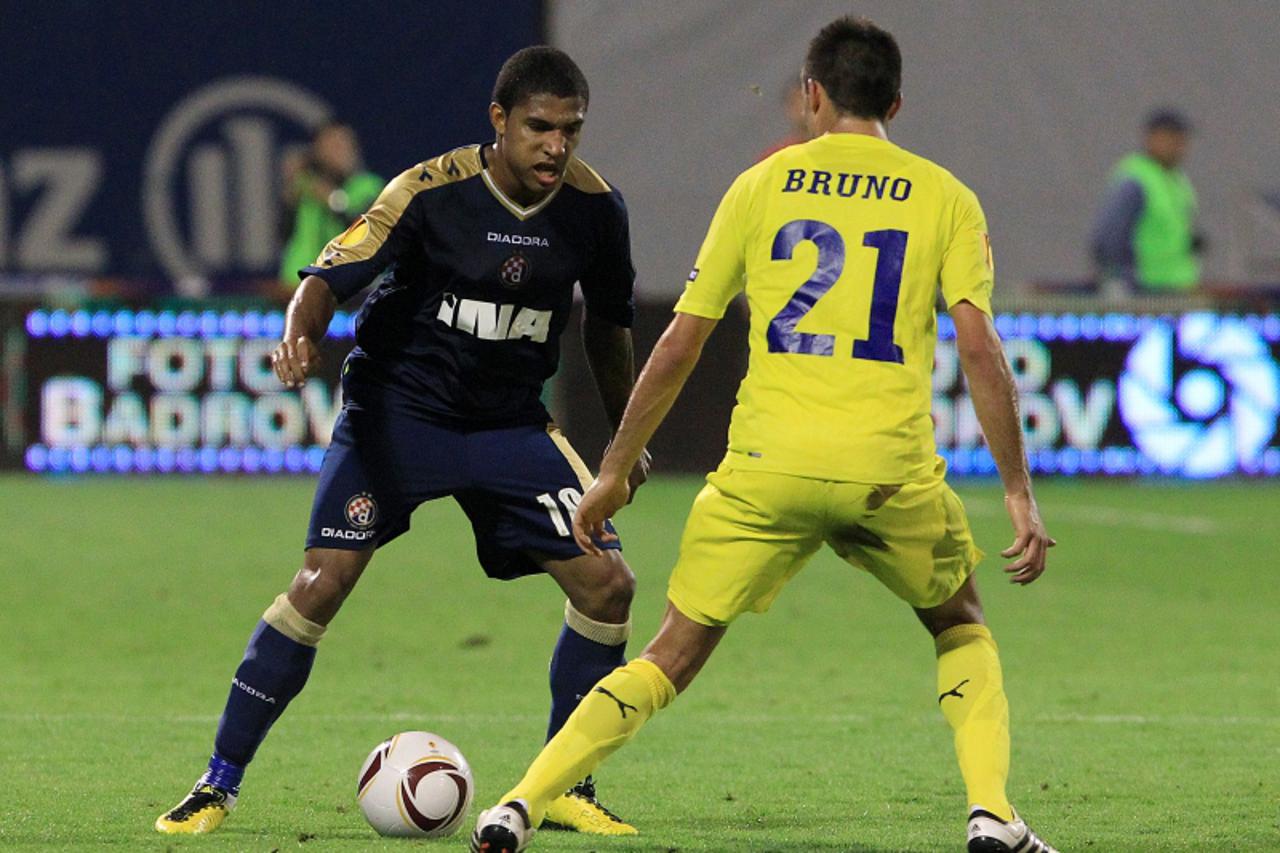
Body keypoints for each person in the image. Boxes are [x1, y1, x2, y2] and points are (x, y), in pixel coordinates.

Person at [473, 17, 1059, 853]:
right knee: (961, 623)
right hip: (885, 469)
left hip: (765, 467)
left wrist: (610, 469)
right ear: (894, 100)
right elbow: (978, 347)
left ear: (813, 94)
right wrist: (1017, 492)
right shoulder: (945, 196)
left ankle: (517, 805)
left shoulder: (761, 186)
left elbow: (680, 341)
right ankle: (994, 813)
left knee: (670, 653)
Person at [156, 46, 648, 837]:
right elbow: (326, 277)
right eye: (539, 128)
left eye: (571, 130)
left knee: (609, 585)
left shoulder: (596, 209)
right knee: (322, 580)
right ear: (499, 121)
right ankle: (218, 782)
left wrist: (627, 442)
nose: (556, 146)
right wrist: (298, 337)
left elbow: (612, 329)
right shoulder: (427, 192)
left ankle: (565, 783)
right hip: (398, 415)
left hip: (509, 426)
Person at [1091, 108, 1202, 295]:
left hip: (1177, 289)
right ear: (1153, 138)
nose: (1180, 147)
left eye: (1183, 141)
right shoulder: (1137, 180)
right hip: (1145, 291)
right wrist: (1123, 280)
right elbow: (1109, 237)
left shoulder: (1176, 180)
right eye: (1173, 139)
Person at [277, 121, 384, 290]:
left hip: (354, 291)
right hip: (300, 286)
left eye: (342, 146)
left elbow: (366, 233)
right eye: (330, 147)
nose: (337, 153)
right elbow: (283, 235)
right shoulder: (303, 187)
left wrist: (332, 201)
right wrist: (289, 198)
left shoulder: (369, 187)